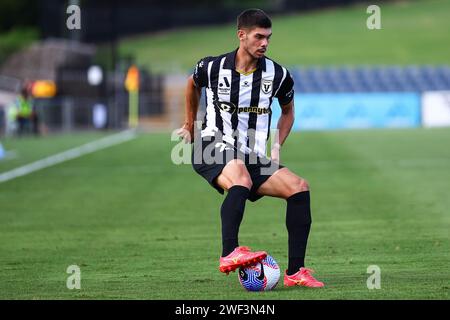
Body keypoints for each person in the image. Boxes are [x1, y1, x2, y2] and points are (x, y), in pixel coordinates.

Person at [177, 9, 324, 288]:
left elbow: (288, 111)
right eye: (259, 37)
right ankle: (229, 252)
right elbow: (191, 84)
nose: (265, 43)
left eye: (268, 37)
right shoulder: (212, 67)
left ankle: (296, 272)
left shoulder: (278, 75)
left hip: (249, 154)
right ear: (241, 35)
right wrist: (188, 124)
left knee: (299, 187)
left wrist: (276, 146)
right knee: (241, 176)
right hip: (211, 144)